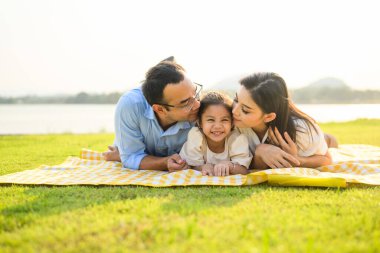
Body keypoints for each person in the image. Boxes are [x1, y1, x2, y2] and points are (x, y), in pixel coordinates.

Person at [103, 57, 202, 172]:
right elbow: (131, 157)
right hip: (130, 146)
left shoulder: (201, 108)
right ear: (160, 109)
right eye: (185, 103)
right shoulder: (131, 105)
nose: (197, 105)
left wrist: (126, 157)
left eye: (195, 93)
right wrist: (164, 162)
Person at [232, 72, 333, 169]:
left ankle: (328, 138)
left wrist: (297, 159)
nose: (234, 111)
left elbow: (327, 159)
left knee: (329, 141)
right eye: (236, 100)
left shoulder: (301, 130)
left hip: (310, 142)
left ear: (268, 117)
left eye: (245, 110)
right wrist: (260, 151)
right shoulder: (230, 122)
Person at [179, 92, 252, 176]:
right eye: (210, 120)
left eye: (224, 120)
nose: (217, 126)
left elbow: (244, 170)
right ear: (200, 123)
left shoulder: (237, 139)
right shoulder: (196, 137)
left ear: (232, 123)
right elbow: (191, 166)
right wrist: (203, 167)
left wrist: (230, 166)